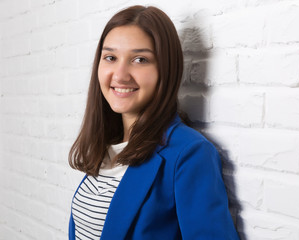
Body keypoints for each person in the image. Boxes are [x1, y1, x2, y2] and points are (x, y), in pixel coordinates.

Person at [68, 5, 240, 240]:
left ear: (165, 70)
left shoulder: (190, 154)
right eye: (110, 57)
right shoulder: (106, 145)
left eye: (140, 59)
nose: (120, 75)